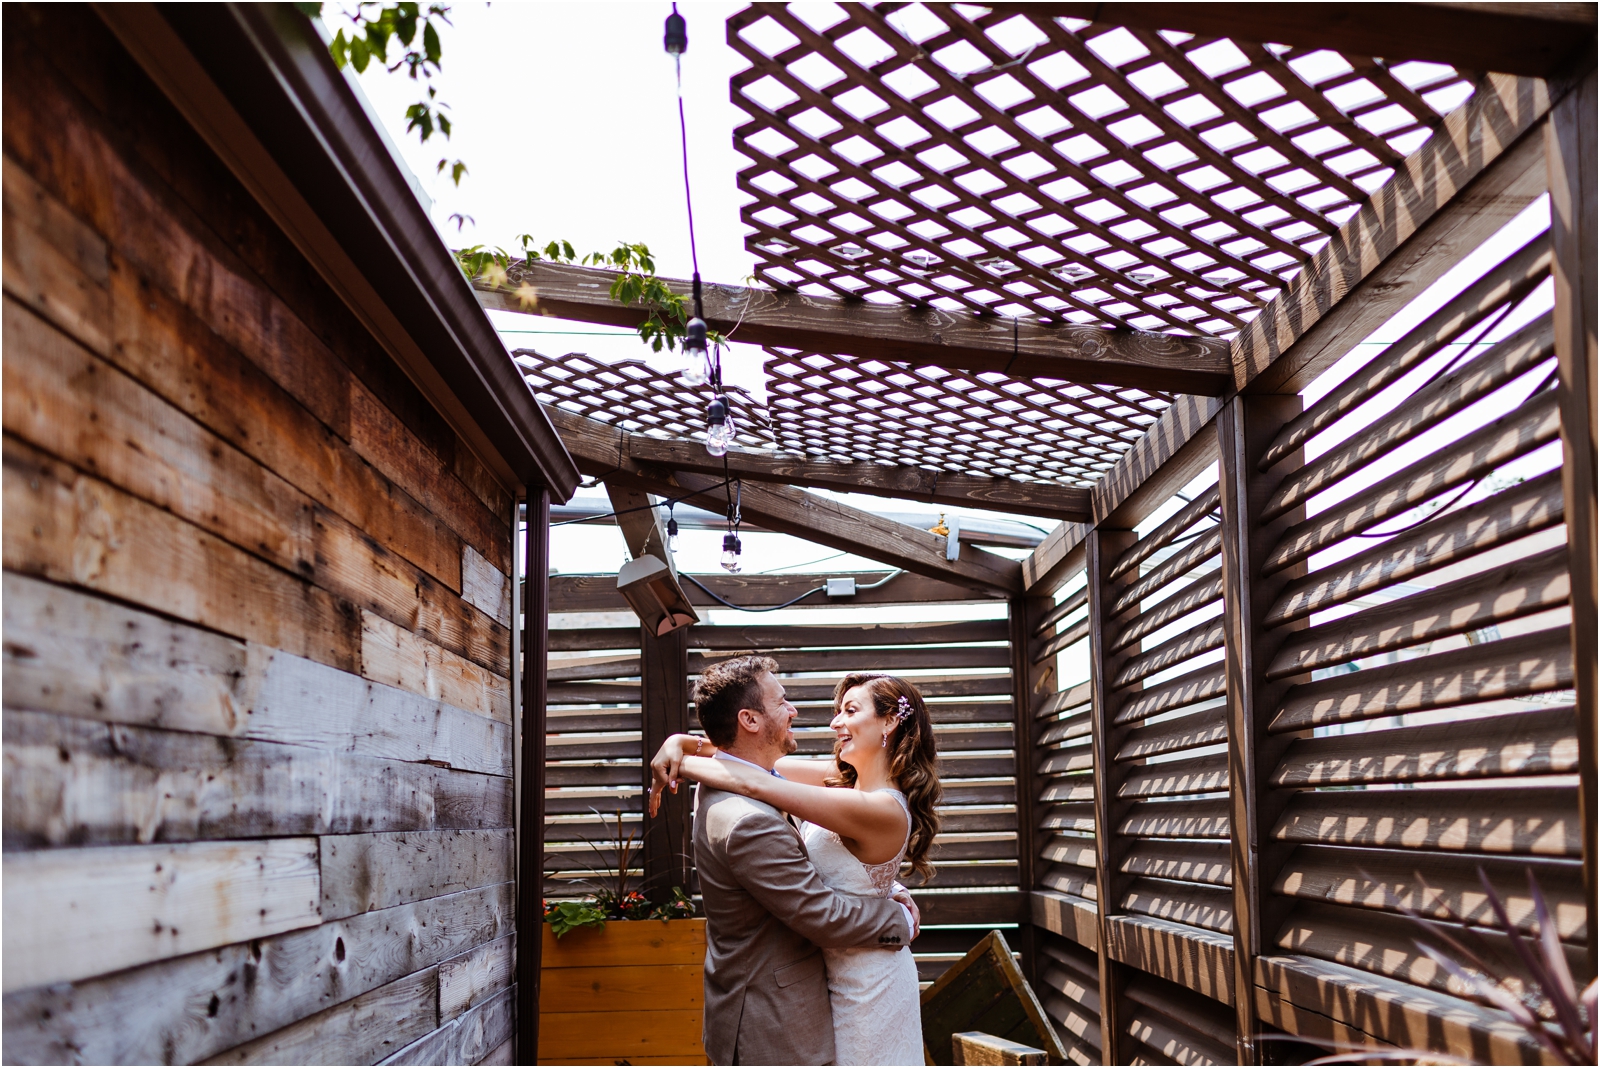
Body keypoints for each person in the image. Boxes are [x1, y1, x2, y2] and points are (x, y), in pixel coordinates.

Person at [652, 665, 941, 1067]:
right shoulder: (838, 781)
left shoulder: (881, 808)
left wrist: (678, 760)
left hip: (869, 981)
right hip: (826, 982)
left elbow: (757, 783)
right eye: (838, 709)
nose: (834, 721)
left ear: (890, 720)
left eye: (851, 710)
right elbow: (747, 766)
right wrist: (677, 744)